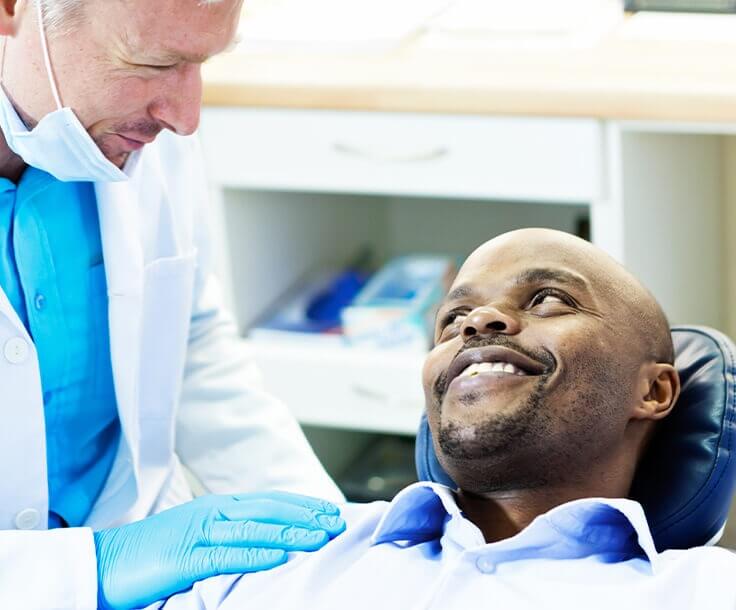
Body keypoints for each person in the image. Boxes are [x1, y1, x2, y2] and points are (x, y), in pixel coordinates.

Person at [149, 228, 736, 610]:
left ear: (655, 390)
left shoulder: (705, 591)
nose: (479, 322)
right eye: (453, 318)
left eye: (547, 300)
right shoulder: (281, 563)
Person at [0, 1, 346, 609]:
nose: (185, 117)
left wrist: (329, 535)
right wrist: (90, 570)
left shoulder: (134, 133)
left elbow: (187, 339)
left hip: (139, 559)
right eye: (153, 61)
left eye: (198, 62)